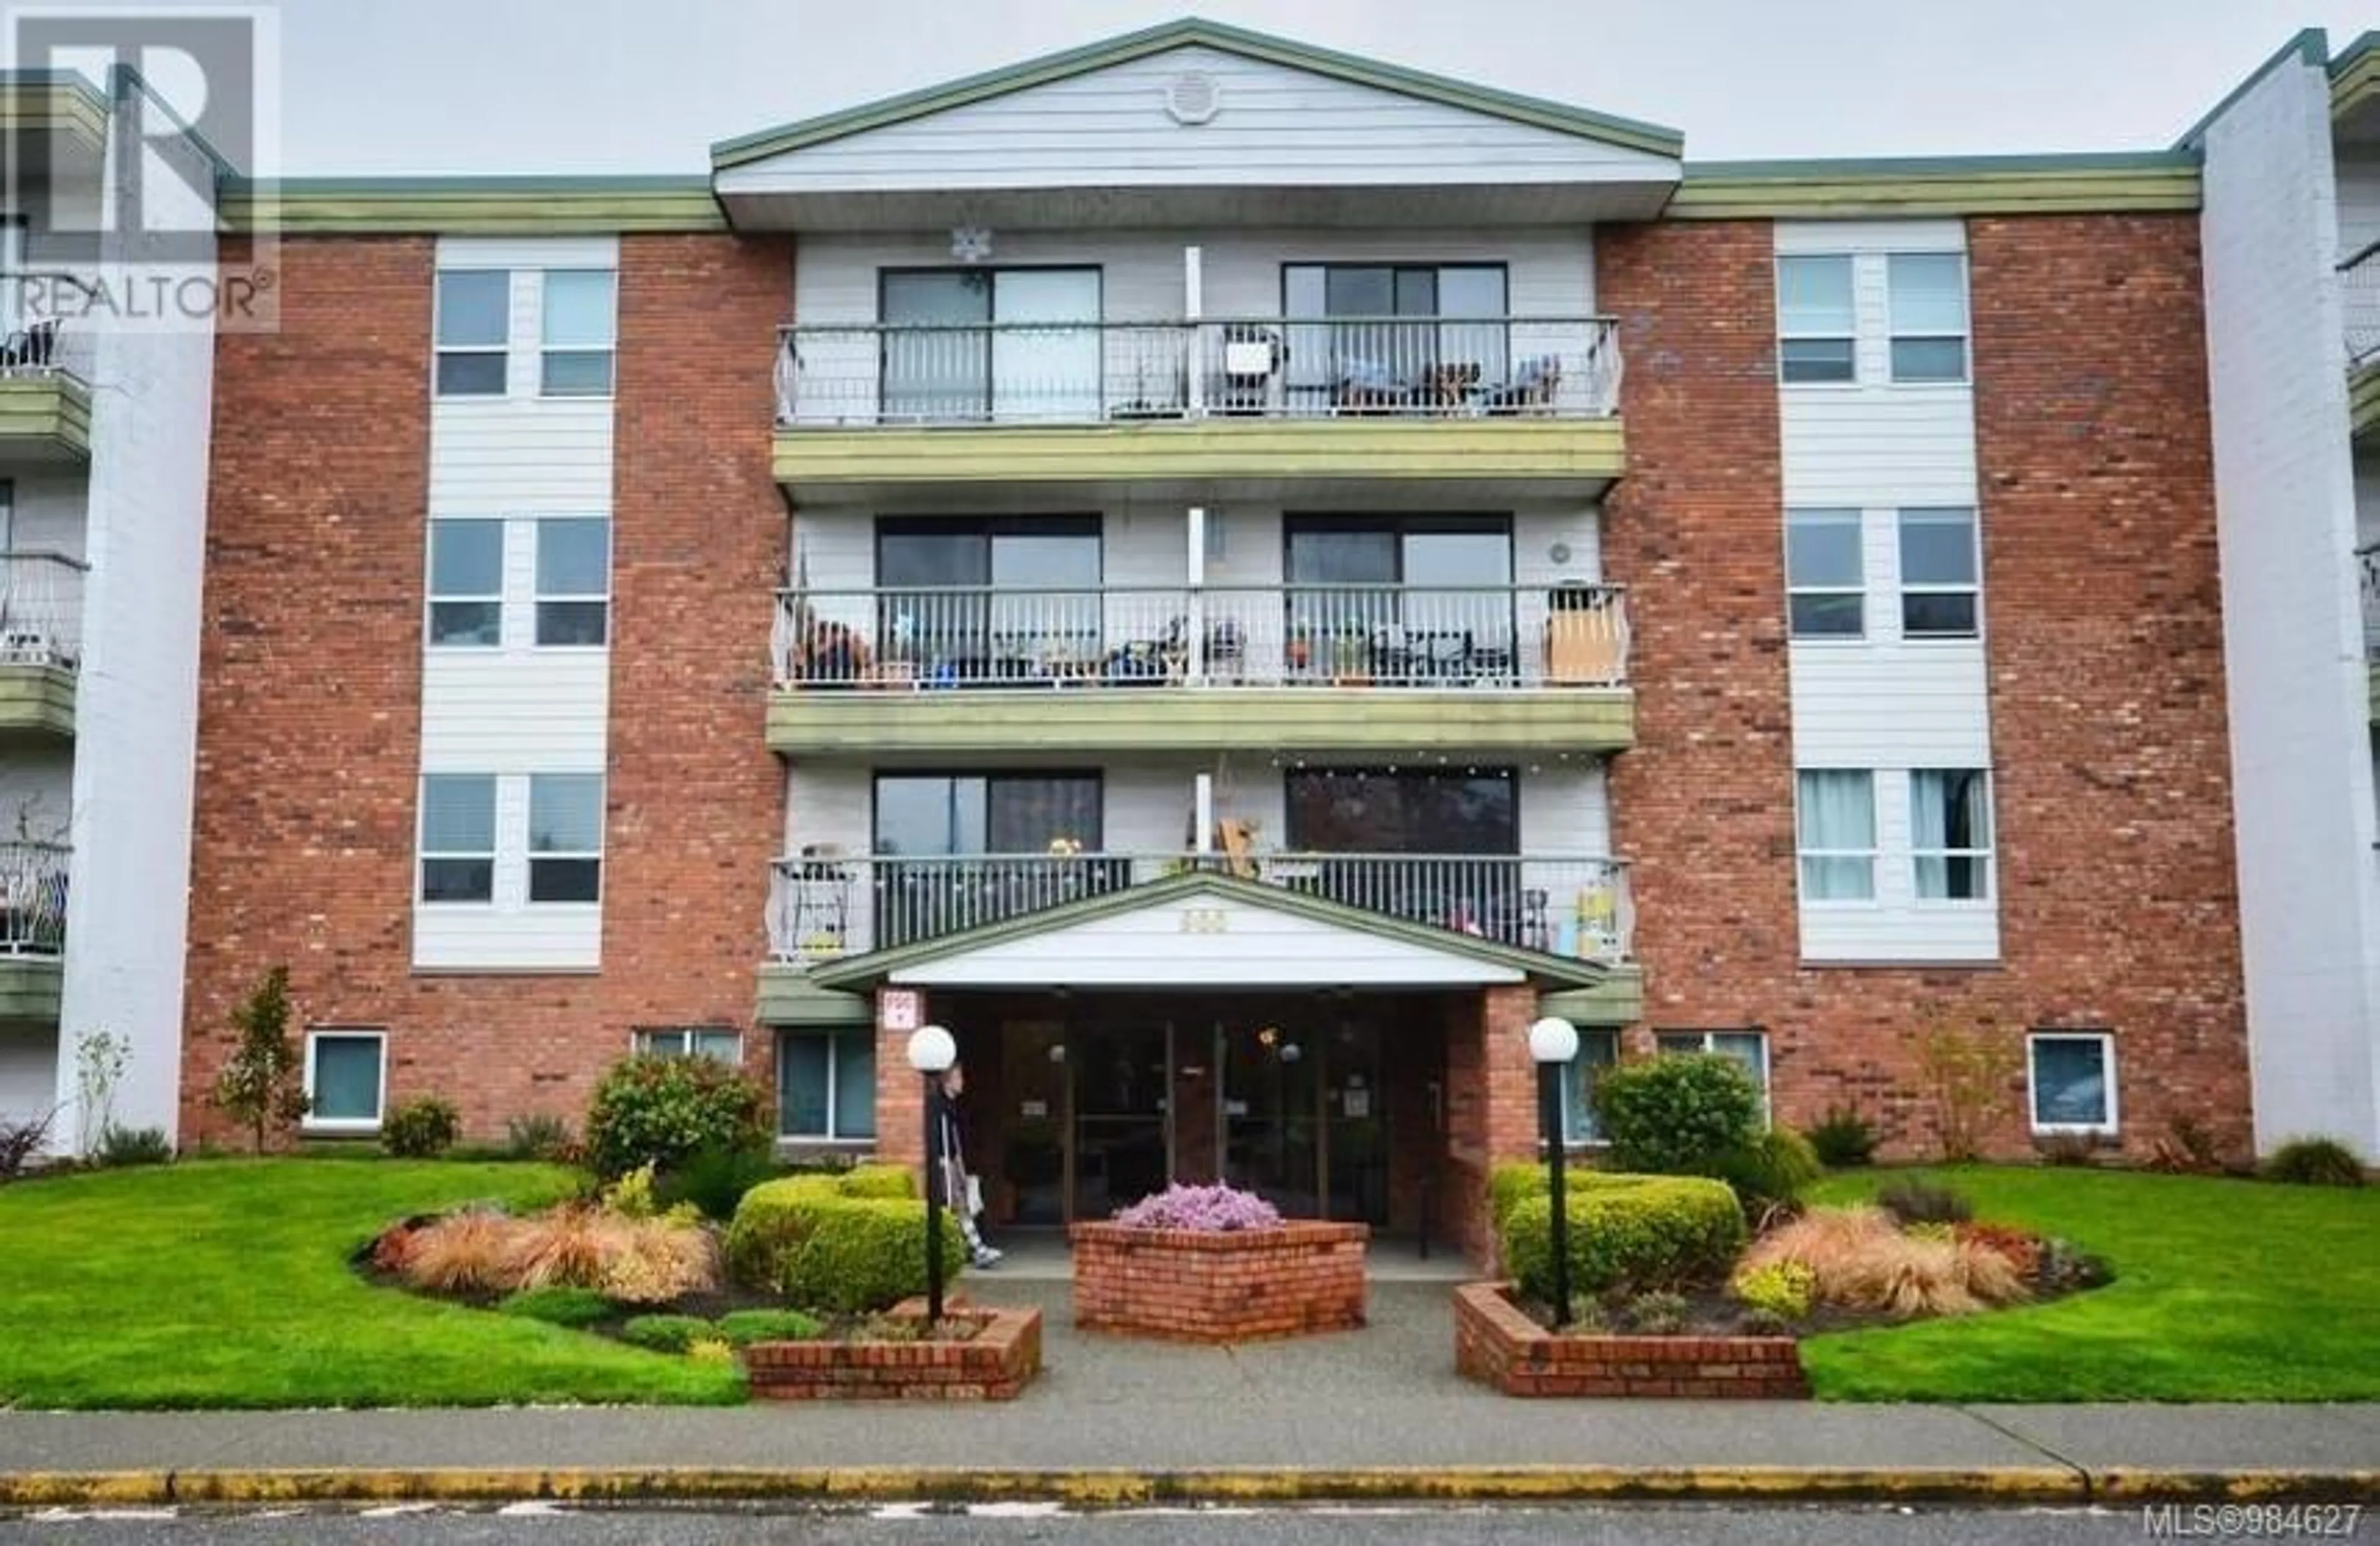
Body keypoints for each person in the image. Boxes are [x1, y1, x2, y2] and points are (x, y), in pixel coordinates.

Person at [935, 1061, 1001, 1268]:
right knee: (959, 1207)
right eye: (959, 1078)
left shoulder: (953, 1106)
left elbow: (955, 1140)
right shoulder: (940, 1107)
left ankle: (969, 1248)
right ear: (948, 1081)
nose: (962, 1082)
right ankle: (977, 1249)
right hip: (943, 1163)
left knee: (963, 1206)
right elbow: (942, 1139)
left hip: (953, 1162)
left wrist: (961, 1166)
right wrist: (947, 1164)